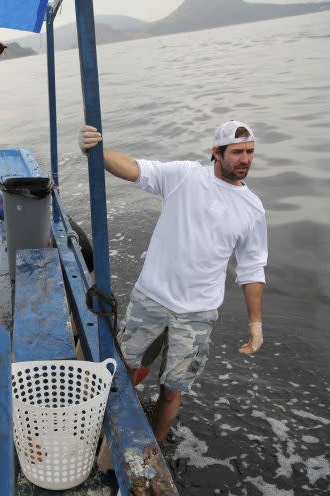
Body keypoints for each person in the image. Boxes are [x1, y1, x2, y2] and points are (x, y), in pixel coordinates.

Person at [78, 120, 267, 442]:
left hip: (198, 313)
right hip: (152, 298)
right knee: (120, 373)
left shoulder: (253, 208)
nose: (245, 159)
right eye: (237, 152)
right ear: (217, 153)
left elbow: (251, 268)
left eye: (250, 152)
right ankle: (94, 430)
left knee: (172, 390)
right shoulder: (186, 176)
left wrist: (256, 323)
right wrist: (95, 150)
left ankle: (156, 445)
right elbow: (133, 169)